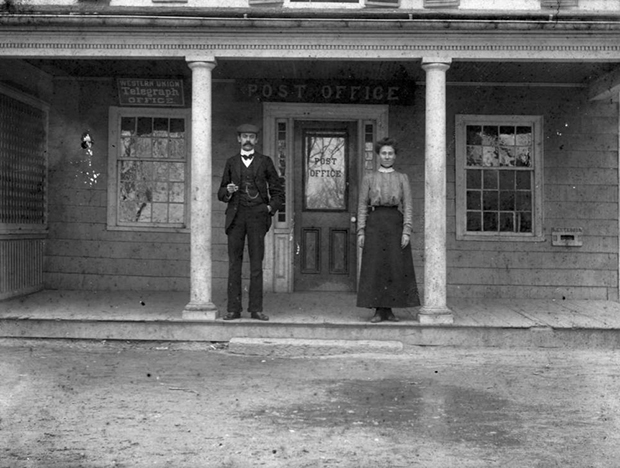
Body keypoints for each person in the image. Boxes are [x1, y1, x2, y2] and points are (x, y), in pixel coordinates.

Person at [217, 124, 285, 321]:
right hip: (236, 217)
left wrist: (269, 208)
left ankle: (256, 309)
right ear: (239, 139)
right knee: (234, 264)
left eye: (251, 137)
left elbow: (278, 191)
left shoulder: (265, 162)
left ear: (256, 140)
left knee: (256, 264)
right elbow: (220, 193)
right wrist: (228, 191)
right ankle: (233, 309)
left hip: (257, 216)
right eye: (244, 136)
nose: (248, 140)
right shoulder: (231, 162)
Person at [356, 137, 420, 323]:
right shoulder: (369, 178)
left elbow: (408, 205)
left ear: (395, 156)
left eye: (390, 153)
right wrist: (361, 231)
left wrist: (406, 230)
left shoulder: (402, 178)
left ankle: (390, 311)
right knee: (376, 266)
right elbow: (362, 205)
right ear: (378, 155)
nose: (387, 156)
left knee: (393, 266)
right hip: (375, 223)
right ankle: (377, 310)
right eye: (383, 153)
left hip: (394, 223)